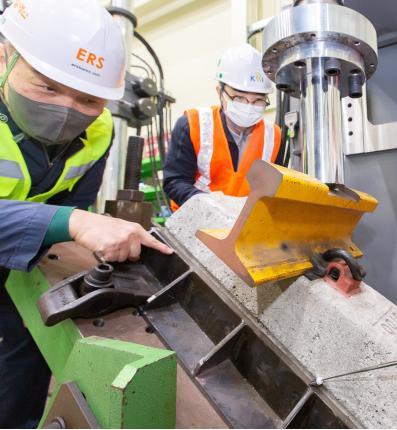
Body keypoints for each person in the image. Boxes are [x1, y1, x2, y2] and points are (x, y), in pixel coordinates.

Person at [0, 0, 172, 427]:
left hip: (20, 264)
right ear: (4, 56)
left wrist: (78, 224)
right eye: (46, 88)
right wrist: (76, 223)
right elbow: (72, 219)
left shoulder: (99, 130)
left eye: (90, 99)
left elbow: (73, 206)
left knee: (26, 355)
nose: (67, 110)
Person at [163, 44, 281, 210]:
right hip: (193, 220)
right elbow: (174, 182)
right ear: (220, 91)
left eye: (258, 101)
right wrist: (211, 206)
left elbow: (273, 189)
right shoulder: (192, 124)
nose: (249, 106)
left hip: (243, 224)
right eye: (239, 98)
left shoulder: (274, 136)